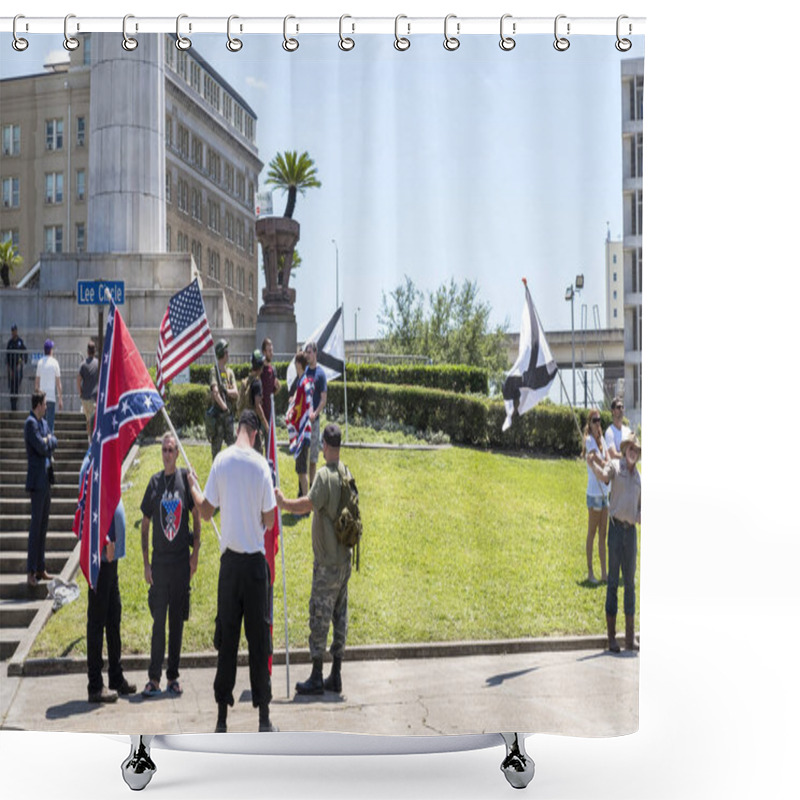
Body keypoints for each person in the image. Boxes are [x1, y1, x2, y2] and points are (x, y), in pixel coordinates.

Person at [187, 409, 278, 733]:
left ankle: (221, 720)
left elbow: (206, 509)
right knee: (258, 642)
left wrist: (193, 486)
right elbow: (269, 519)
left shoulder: (221, 461)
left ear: (239, 428)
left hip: (230, 567)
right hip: (254, 565)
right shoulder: (261, 466)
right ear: (254, 433)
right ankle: (264, 719)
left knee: (227, 642)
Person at [275, 423, 352, 696]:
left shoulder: (323, 475)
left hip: (327, 564)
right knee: (339, 617)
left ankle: (318, 675)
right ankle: (337, 674)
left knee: (319, 617)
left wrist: (284, 504)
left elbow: (308, 504)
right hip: (344, 562)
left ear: (325, 447)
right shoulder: (346, 473)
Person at [140, 432, 201, 698]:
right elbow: (144, 525)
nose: (167, 454)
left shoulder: (185, 480)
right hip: (160, 565)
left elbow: (197, 515)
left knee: (177, 622)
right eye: (164, 450)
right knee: (158, 623)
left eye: (171, 450)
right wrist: (145, 563)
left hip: (180, 564)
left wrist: (195, 552)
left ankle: (173, 677)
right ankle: (154, 677)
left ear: (177, 453)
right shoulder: (154, 483)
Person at [79, 440, 137, 702]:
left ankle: (115, 675)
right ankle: (95, 684)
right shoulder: (92, 465)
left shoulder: (102, 460)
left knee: (114, 617)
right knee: (98, 619)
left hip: (111, 557)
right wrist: (106, 539)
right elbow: (91, 507)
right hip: (101, 555)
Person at [591, 432, 642, 653]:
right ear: (625, 449)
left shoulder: (639, 479)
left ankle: (630, 638)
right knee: (613, 582)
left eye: (637, 451)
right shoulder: (615, 465)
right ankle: (612, 638)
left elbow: (640, 508)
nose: (633, 453)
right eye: (631, 448)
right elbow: (604, 476)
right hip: (615, 530)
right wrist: (593, 463)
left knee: (629, 584)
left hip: (630, 534)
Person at [25, 390, 57, 587]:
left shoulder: (43, 423)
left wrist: (48, 440)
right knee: (35, 528)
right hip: (36, 482)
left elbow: (54, 441)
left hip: (46, 480)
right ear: (38, 405)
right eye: (45, 404)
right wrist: (47, 441)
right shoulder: (31, 424)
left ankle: (40, 567)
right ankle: (30, 571)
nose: (46, 407)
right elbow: (42, 446)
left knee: (43, 526)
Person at [583, 409, 609, 585]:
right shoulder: (588, 440)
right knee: (592, 533)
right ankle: (590, 572)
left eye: (599, 420)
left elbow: (605, 457)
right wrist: (606, 464)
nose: (597, 423)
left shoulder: (602, 441)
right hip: (594, 495)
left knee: (603, 534)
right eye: (594, 420)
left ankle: (604, 573)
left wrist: (606, 463)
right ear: (589, 423)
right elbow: (593, 458)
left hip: (605, 494)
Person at [207, 339, 238, 460]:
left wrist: (226, 391)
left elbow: (235, 392)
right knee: (216, 453)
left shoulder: (230, 372)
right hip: (218, 417)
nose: (228, 354)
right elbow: (215, 392)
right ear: (221, 353)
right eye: (226, 351)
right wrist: (224, 408)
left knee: (233, 448)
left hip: (228, 417)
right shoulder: (214, 371)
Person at [302, 341, 328, 491]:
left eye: (309, 352)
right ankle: (303, 488)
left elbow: (323, 399)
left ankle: (312, 489)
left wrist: (315, 413)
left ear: (315, 353)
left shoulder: (320, 374)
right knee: (302, 457)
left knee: (312, 458)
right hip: (303, 422)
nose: (307, 355)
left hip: (313, 422)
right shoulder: (304, 372)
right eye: (306, 352)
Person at [34, 338, 62, 435]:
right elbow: (58, 383)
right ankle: (49, 447)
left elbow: (36, 382)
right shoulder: (55, 363)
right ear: (50, 350)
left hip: (41, 398)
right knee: (50, 426)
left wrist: (37, 397)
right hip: (51, 398)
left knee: (41, 425)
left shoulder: (40, 362)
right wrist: (60, 398)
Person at [260, 337, 281, 440]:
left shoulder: (273, 370)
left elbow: (273, 391)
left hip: (270, 415)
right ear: (264, 352)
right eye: (269, 351)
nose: (271, 353)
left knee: (270, 449)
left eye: (272, 350)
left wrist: (277, 388)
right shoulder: (258, 369)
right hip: (259, 415)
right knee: (258, 449)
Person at [77, 340, 99, 439]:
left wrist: (80, 392)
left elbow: (78, 379)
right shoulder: (98, 364)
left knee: (88, 420)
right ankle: (93, 440)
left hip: (85, 397)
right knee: (94, 420)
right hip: (95, 397)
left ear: (87, 351)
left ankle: (89, 439)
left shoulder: (83, 364)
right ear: (95, 351)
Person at [6, 323, 28, 411]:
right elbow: (7, 357)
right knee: (12, 388)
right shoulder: (10, 343)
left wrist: (21, 362)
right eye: (12, 331)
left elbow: (23, 354)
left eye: (14, 330)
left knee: (16, 387)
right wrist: (9, 369)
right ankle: (13, 407)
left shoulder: (20, 342)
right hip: (11, 369)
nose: (13, 332)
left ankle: (15, 405)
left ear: (16, 331)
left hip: (18, 369)